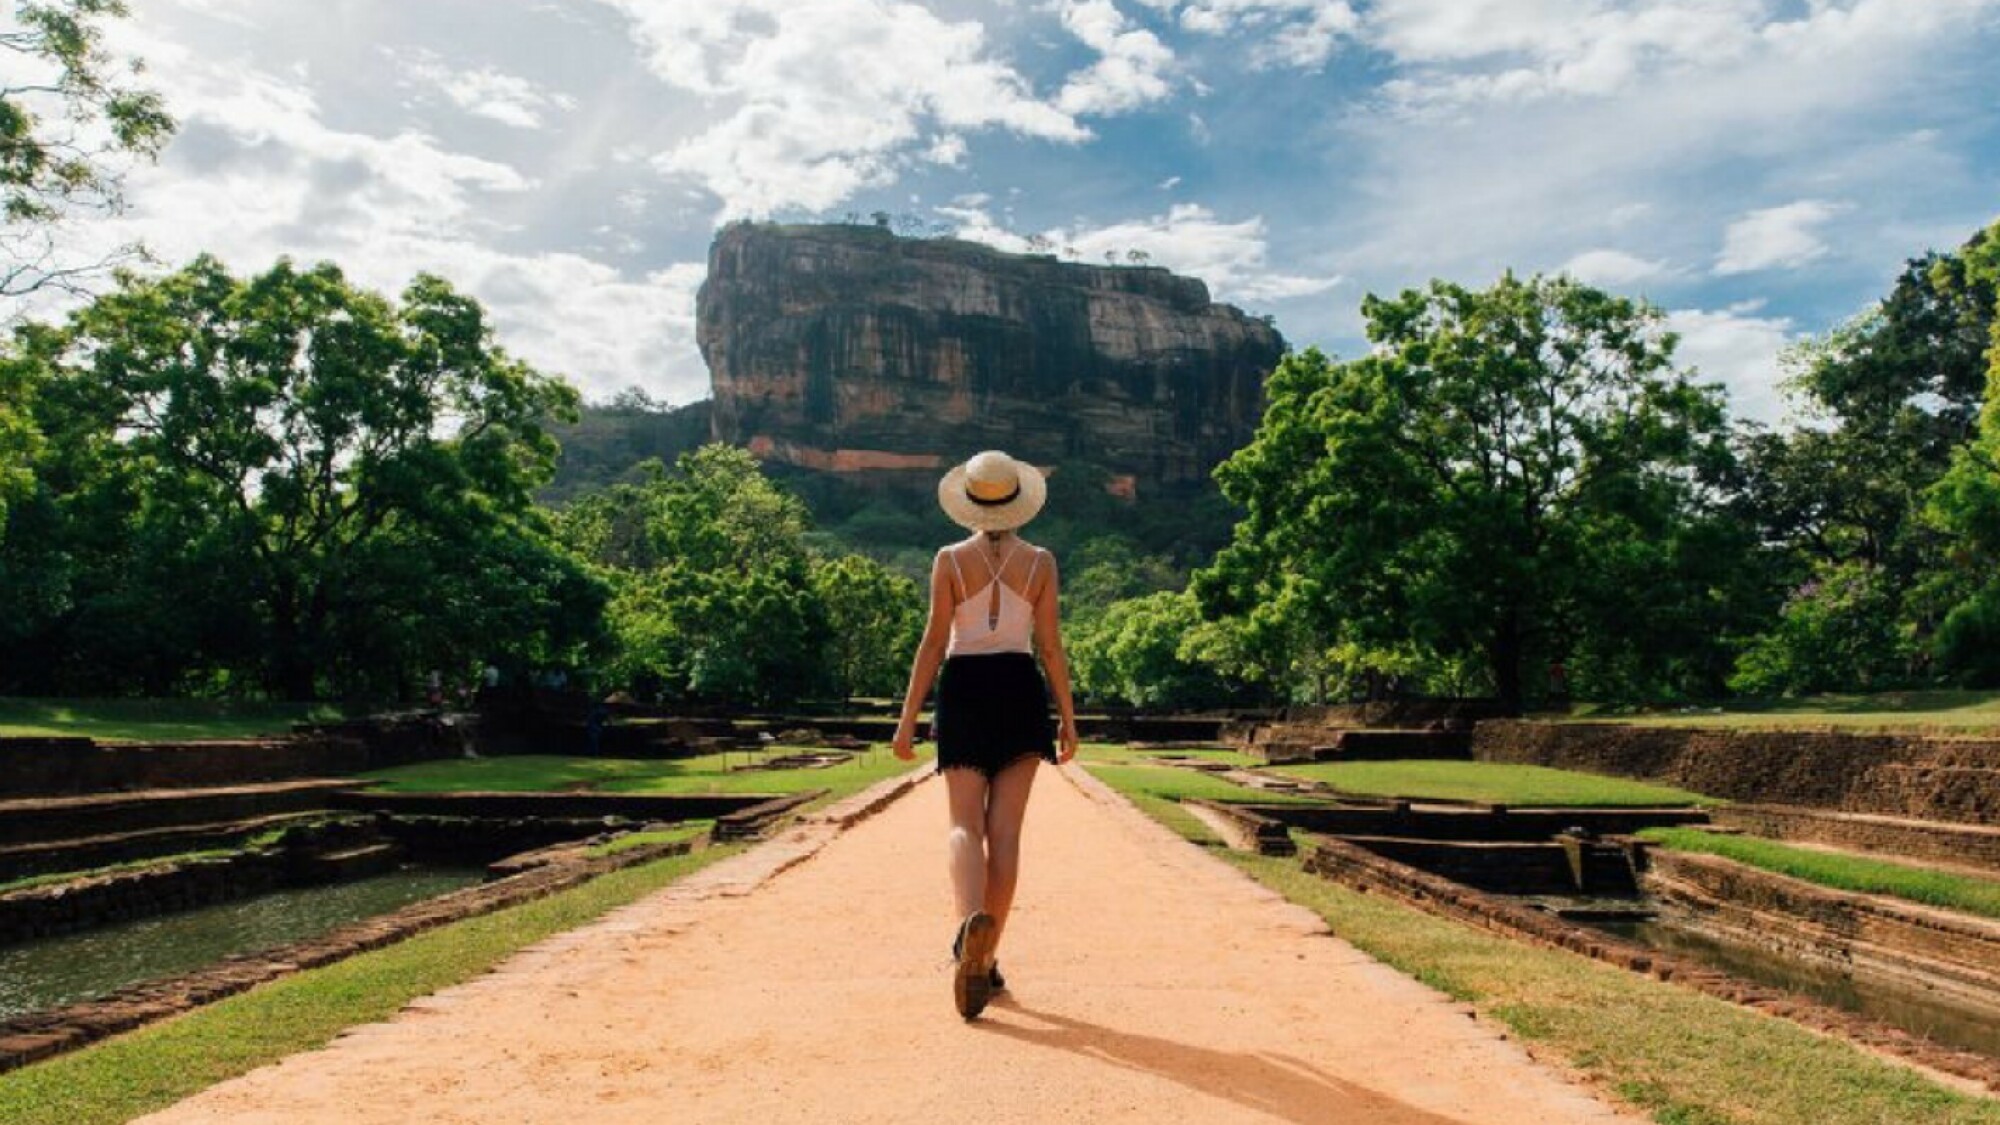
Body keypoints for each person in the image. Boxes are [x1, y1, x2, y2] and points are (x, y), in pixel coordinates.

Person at [893, 450, 1080, 1021]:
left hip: (966, 687)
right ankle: (988, 953)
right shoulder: (1041, 562)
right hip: (1020, 687)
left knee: (962, 824)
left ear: (970, 501)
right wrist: (1069, 719)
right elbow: (1049, 648)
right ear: (1018, 500)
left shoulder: (949, 560)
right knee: (1007, 833)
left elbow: (932, 642)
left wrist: (906, 721)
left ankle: (966, 934)